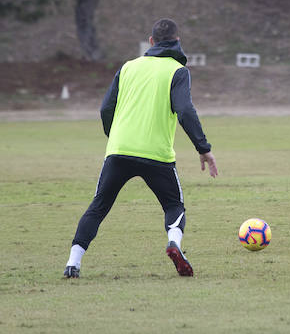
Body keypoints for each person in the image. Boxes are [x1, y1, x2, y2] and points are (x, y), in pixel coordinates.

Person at [63, 18, 218, 279]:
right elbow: (185, 111)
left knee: (98, 206)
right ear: (178, 42)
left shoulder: (128, 67)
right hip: (156, 155)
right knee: (173, 205)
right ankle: (174, 244)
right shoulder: (177, 71)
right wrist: (203, 148)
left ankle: (73, 263)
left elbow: (105, 109)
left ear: (151, 42)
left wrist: (115, 139)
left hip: (119, 150)